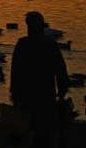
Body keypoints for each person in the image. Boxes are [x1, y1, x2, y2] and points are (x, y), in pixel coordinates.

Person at [9, 11, 70, 147]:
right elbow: (60, 70)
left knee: (19, 129)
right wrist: (62, 90)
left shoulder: (23, 44)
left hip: (26, 94)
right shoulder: (51, 45)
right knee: (42, 132)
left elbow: (16, 69)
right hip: (45, 95)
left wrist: (14, 90)